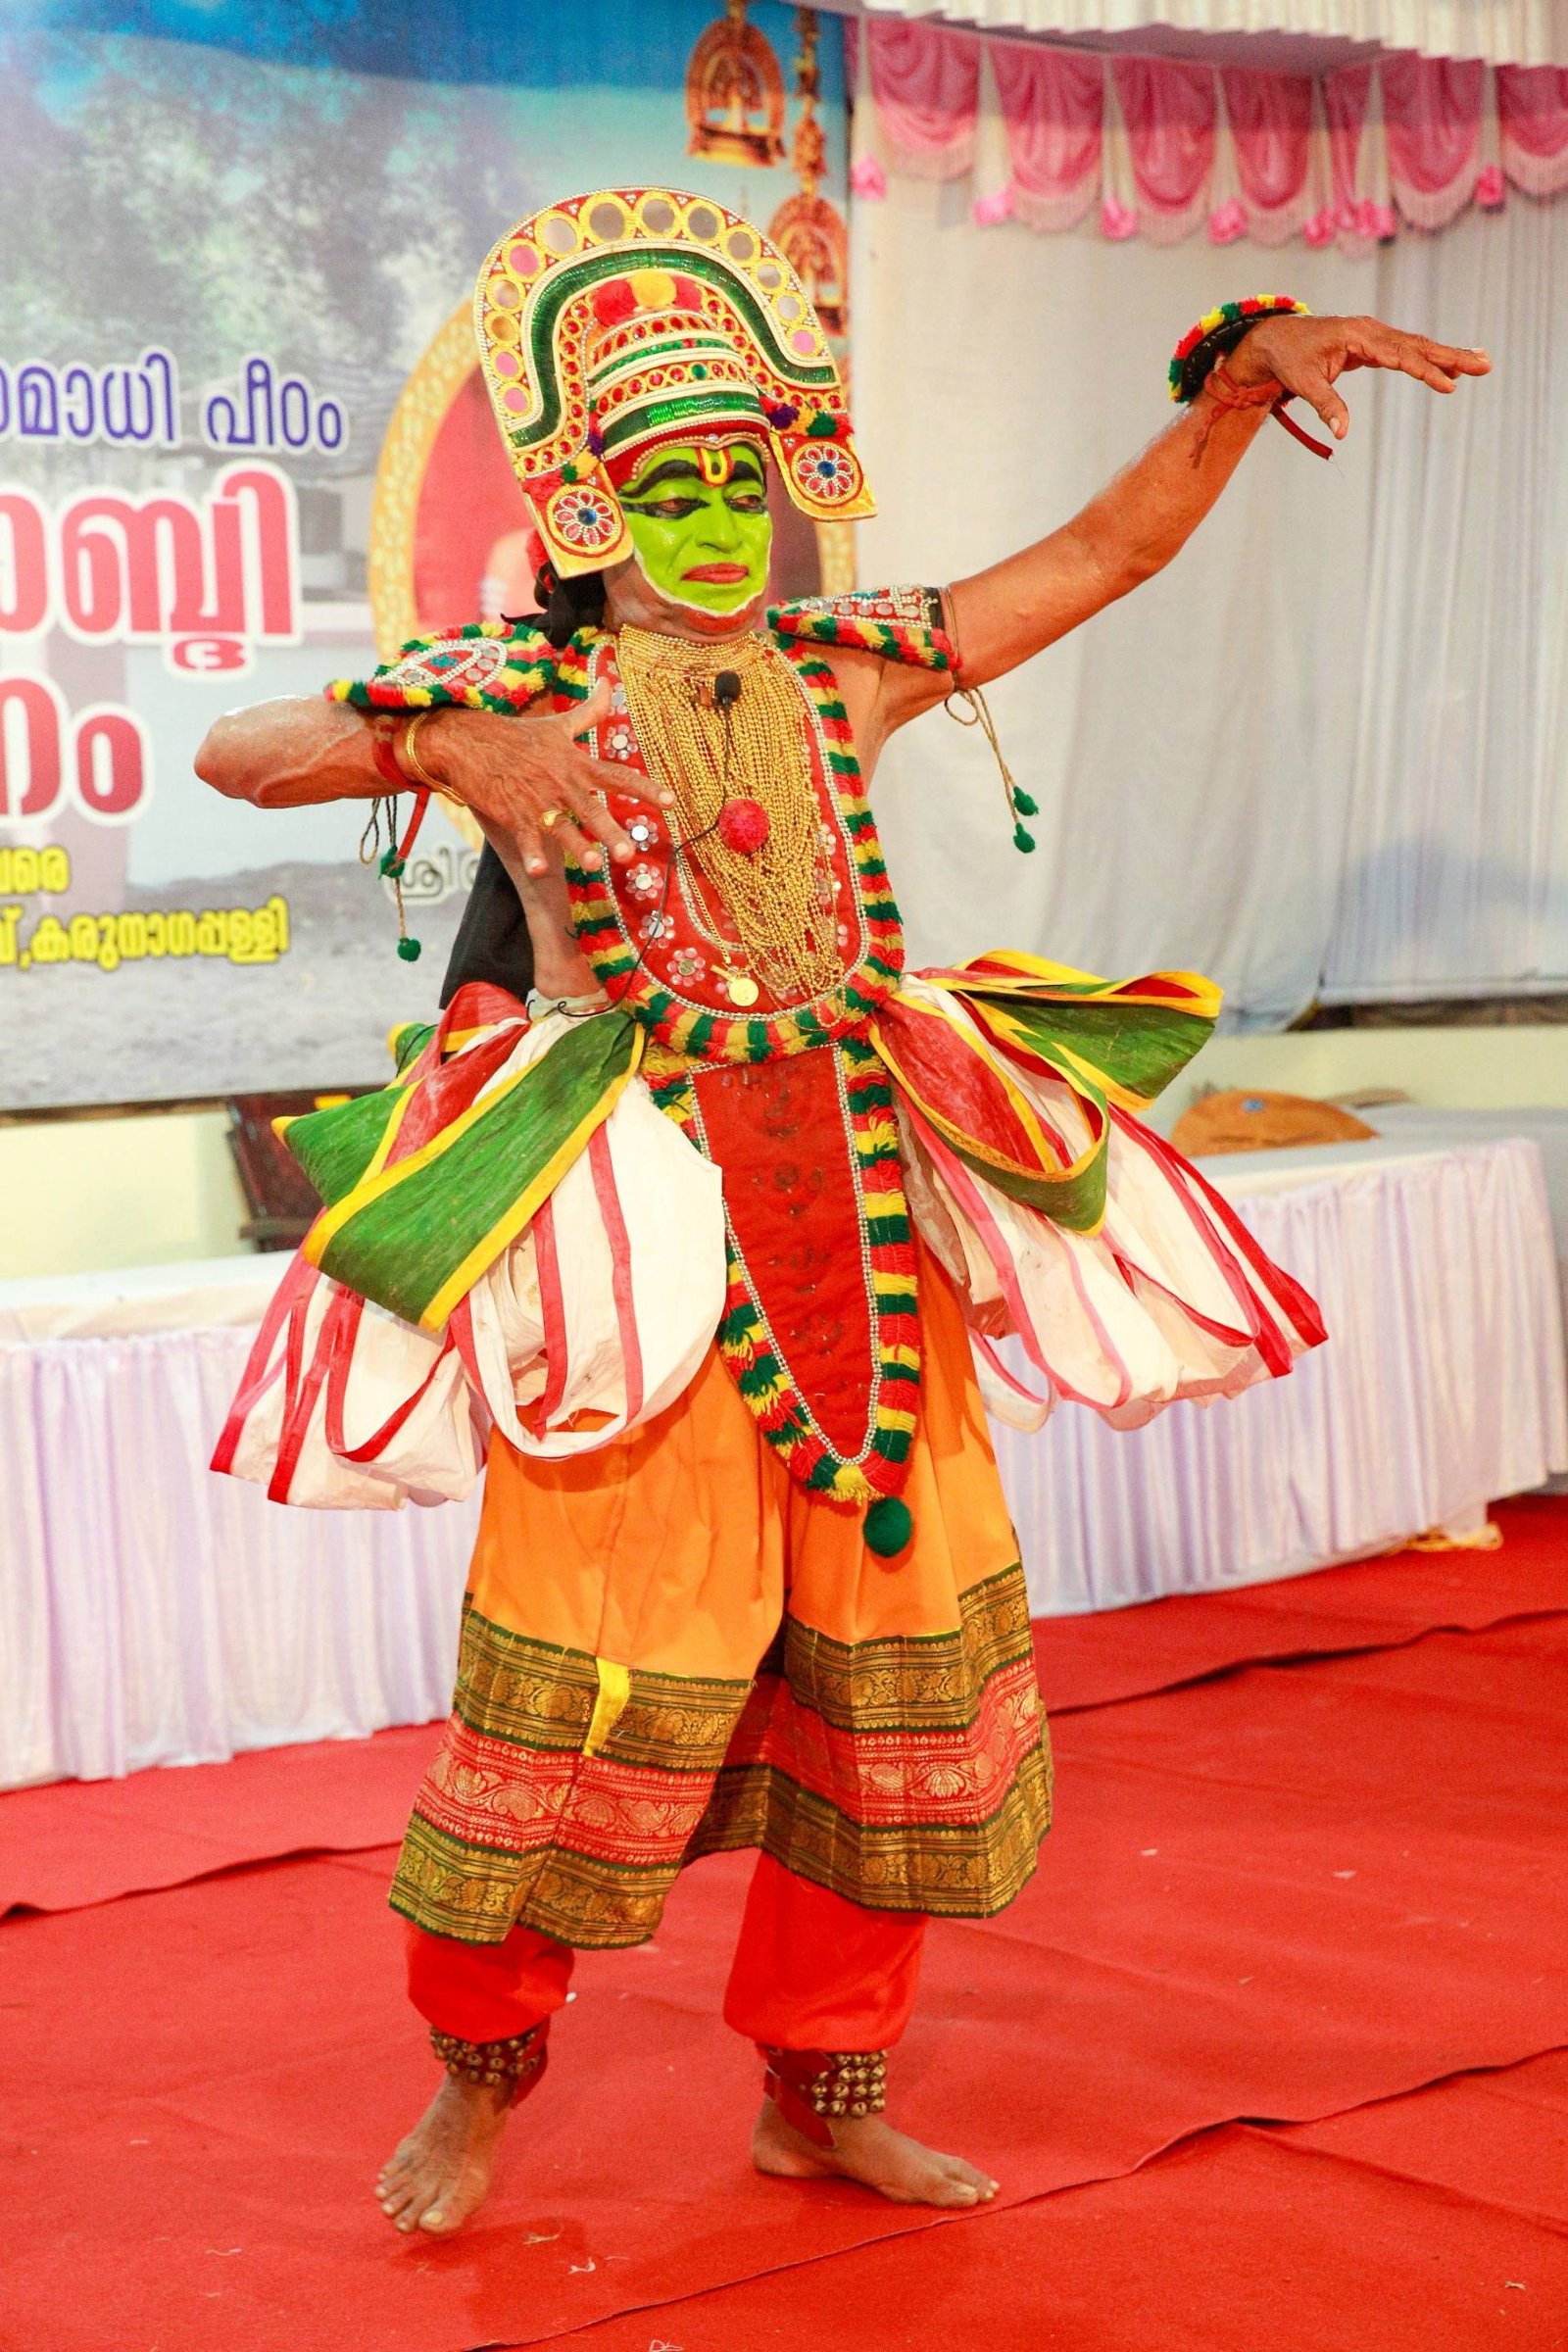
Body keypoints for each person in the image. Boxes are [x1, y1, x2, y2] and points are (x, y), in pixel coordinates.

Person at [197, 187, 1487, 2239]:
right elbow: (237, 747)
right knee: (585, 1685)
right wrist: (449, 736)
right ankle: (476, 2082)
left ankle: (820, 2092)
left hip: (870, 1236)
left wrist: (1236, 389)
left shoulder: (844, 665)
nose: (717, 523)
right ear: (590, 505)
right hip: (642, 1272)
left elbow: (1100, 557)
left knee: (891, 1687)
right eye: (669, 489)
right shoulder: (517, 684)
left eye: (741, 483)